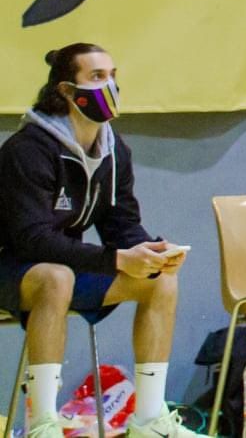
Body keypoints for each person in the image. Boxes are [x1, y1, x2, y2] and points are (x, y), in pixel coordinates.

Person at [0, 44, 198, 438]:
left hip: (61, 269)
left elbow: (121, 224)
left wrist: (152, 252)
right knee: (56, 277)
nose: (110, 86)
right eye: (97, 77)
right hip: (11, 265)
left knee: (160, 280)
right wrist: (117, 260)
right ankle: (42, 423)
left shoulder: (113, 150)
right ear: (66, 93)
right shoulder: (28, 151)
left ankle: (149, 419)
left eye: (113, 75)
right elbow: (32, 240)